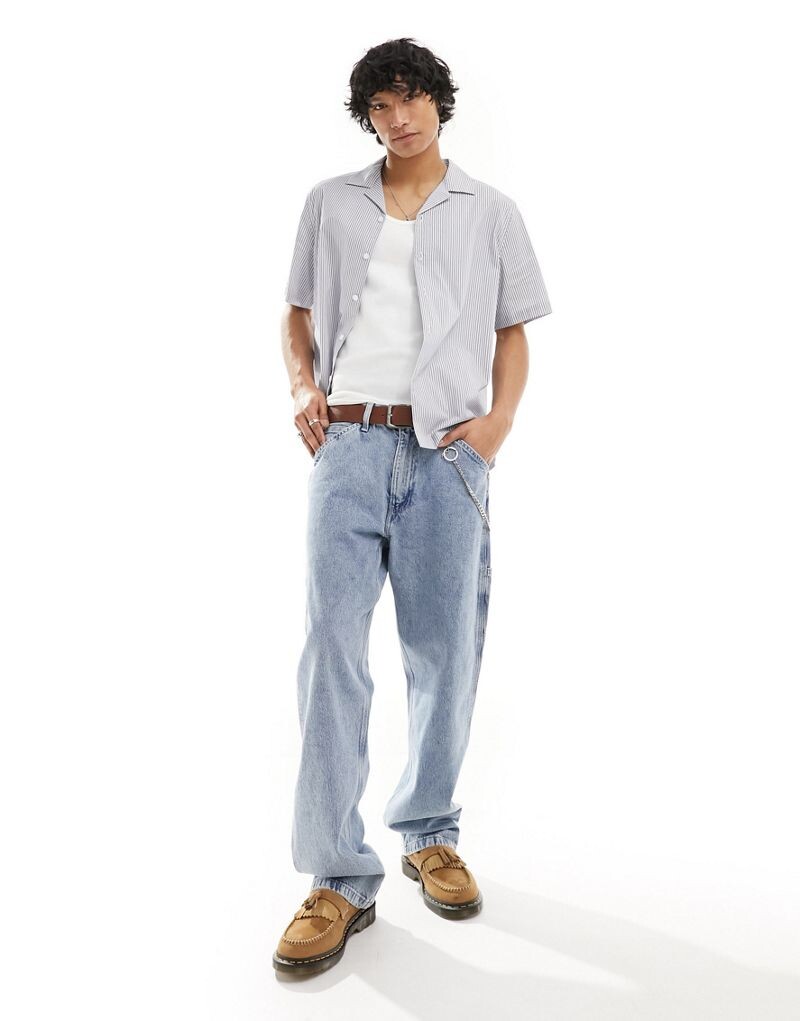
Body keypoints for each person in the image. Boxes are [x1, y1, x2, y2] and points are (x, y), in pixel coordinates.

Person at [274, 37, 551, 977]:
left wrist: (497, 425)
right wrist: (303, 387)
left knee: (444, 653)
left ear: (439, 101)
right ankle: (336, 876)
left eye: (411, 99)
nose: (398, 118)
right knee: (330, 654)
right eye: (381, 107)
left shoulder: (491, 212)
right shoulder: (330, 203)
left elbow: (513, 330)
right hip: (348, 447)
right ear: (368, 120)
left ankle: (429, 829)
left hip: (446, 457)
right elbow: (296, 311)